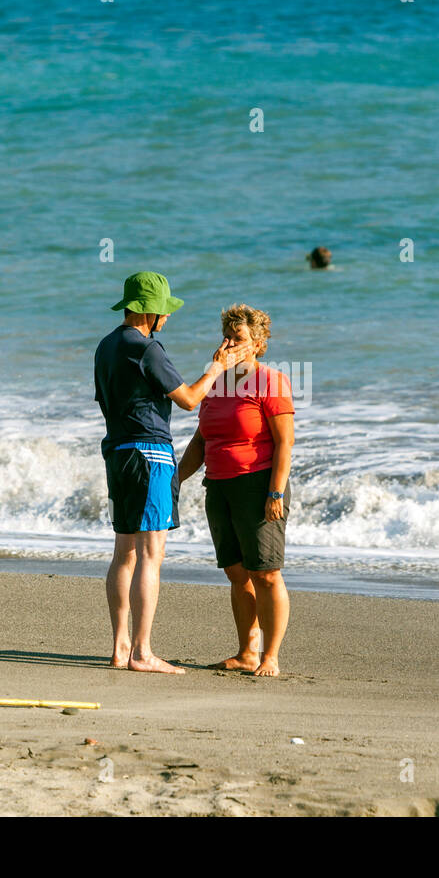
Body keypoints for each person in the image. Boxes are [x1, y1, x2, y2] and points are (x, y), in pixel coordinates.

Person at [94, 271, 242, 674]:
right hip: (150, 455)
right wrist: (217, 367)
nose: (168, 317)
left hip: (117, 453)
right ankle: (142, 652)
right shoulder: (147, 348)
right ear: (149, 311)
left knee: (123, 554)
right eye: (165, 310)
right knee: (150, 554)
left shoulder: (106, 346)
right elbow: (190, 400)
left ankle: (121, 647)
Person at [179, 304, 294, 677]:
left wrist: (275, 493)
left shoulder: (271, 381)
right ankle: (247, 651)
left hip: (258, 484)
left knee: (266, 573)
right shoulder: (214, 384)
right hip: (220, 485)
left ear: (258, 344)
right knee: (236, 573)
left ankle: (270, 656)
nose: (229, 344)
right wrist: (175, 478)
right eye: (225, 336)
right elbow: (200, 440)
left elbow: (284, 444)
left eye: (238, 338)